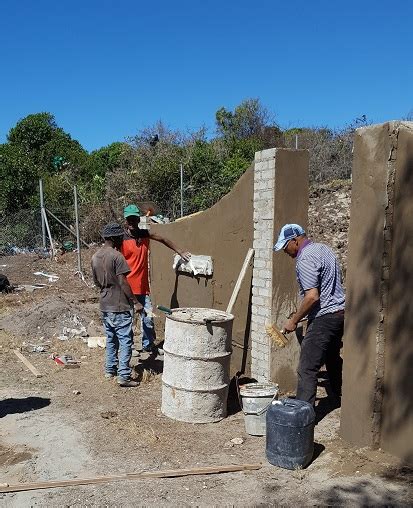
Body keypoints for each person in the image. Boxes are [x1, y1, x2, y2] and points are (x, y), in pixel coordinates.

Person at [273, 224, 345, 406]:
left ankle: (302, 415)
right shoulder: (324, 249)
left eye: (285, 246)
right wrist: (305, 314)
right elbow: (328, 287)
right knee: (332, 358)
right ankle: (342, 397)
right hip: (339, 314)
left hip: (324, 319)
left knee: (307, 368)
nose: (285, 251)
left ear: (294, 241)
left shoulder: (305, 258)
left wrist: (294, 320)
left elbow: (312, 296)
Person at [121, 204, 191, 355]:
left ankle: (148, 345)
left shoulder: (144, 234)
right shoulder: (121, 238)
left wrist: (180, 251)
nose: (132, 222)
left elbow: (163, 239)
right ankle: (129, 348)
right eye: (129, 219)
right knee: (129, 320)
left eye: (134, 218)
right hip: (127, 288)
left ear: (137, 219)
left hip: (142, 286)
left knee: (147, 319)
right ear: (125, 220)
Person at [91, 223, 142, 387]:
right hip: (119, 305)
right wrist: (135, 302)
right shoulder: (117, 257)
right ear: (113, 238)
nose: (122, 239)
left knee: (111, 338)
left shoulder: (95, 257)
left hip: (105, 304)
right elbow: (123, 282)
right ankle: (123, 376)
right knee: (126, 340)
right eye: (120, 237)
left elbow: (96, 282)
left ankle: (110, 369)